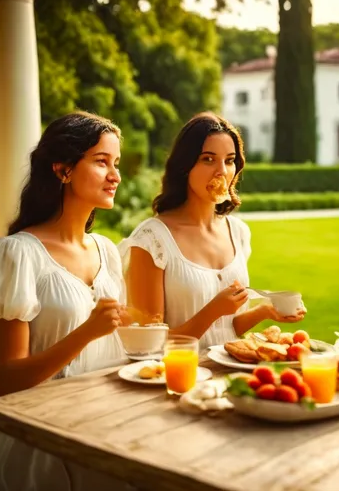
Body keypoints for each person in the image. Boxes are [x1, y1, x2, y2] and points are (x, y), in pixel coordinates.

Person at [0, 111, 135, 490]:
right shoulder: (16, 255)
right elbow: (8, 379)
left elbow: (111, 347)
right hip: (36, 445)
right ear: (63, 170)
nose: (115, 175)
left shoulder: (107, 252)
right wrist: (88, 331)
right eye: (101, 162)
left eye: (116, 164)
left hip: (102, 432)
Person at [118, 112, 306, 349]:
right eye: (208, 159)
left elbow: (226, 329)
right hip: (177, 378)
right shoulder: (152, 239)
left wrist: (265, 311)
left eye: (229, 160)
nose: (221, 172)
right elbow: (148, 343)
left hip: (229, 374)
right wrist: (212, 311)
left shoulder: (237, 232)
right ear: (185, 166)